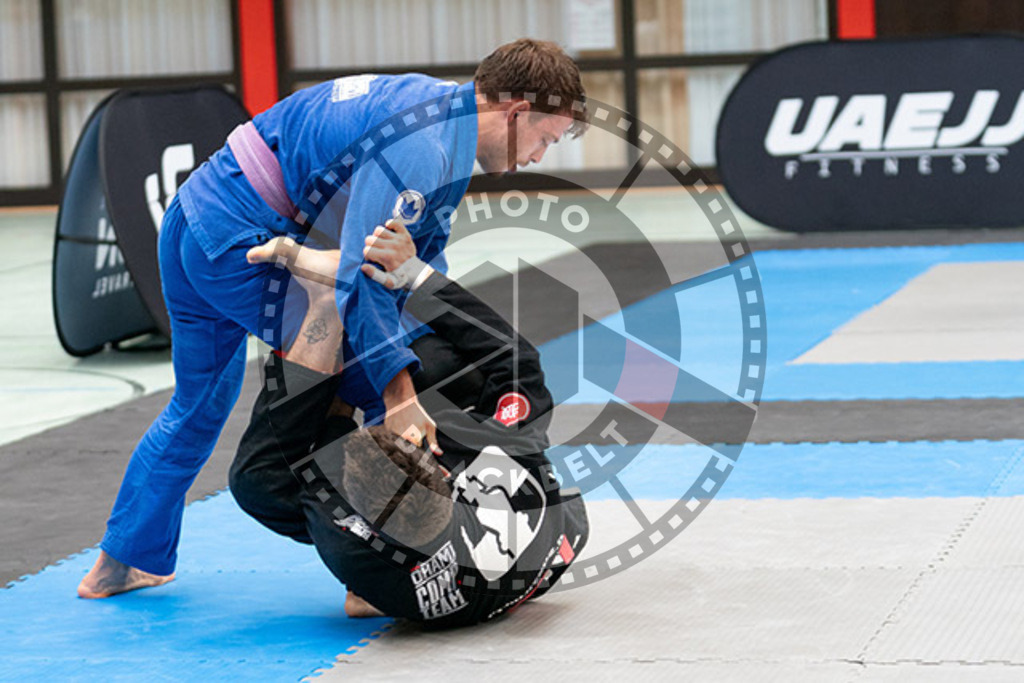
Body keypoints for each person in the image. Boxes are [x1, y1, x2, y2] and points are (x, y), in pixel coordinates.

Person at [78, 38, 588, 599]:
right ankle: (379, 573)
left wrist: (420, 314)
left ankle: (124, 561)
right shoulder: (423, 146)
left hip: (195, 218)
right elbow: (366, 276)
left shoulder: (441, 113)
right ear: (516, 112)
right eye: (545, 139)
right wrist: (399, 393)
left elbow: (414, 261)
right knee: (379, 377)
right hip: (243, 242)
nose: (538, 156)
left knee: (198, 405)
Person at [230, 223, 589, 627]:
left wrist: (328, 343)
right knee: (445, 367)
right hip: (539, 535)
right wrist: (414, 273)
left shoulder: (358, 551)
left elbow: (314, 457)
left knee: (256, 482)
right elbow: (518, 360)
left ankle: (325, 305)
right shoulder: (511, 459)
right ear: (443, 469)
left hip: (415, 579)